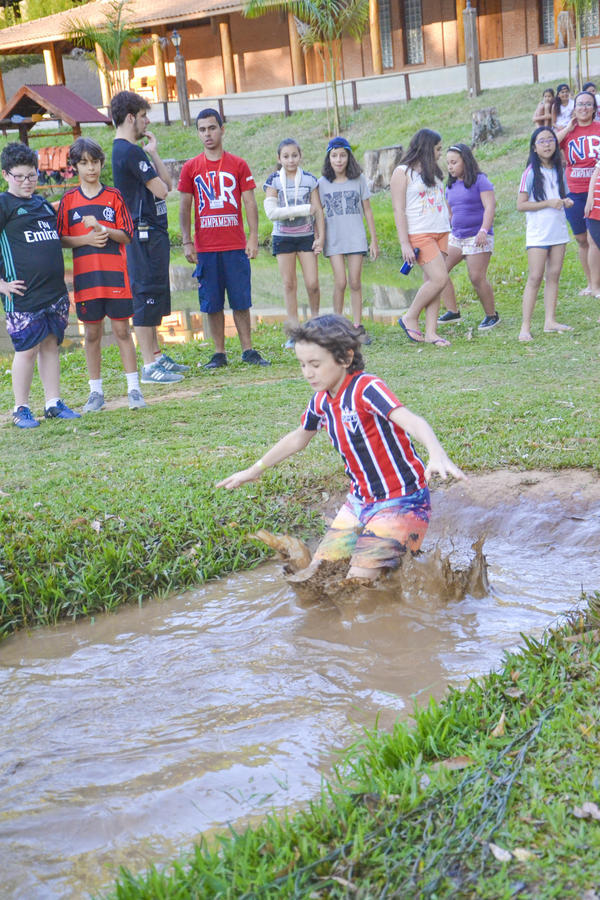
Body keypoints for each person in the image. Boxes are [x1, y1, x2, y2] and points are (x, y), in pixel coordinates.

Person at [217, 315, 465, 581]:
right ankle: (396, 567)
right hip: (359, 502)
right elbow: (300, 437)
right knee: (318, 574)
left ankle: (411, 574)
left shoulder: (366, 388)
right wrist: (255, 469)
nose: (307, 373)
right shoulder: (321, 401)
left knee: (357, 581)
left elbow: (411, 420)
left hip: (402, 501)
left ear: (346, 358)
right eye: (302, 364)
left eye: (315, 364)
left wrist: (436, 452)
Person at [57, 137, 146, 412]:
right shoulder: (69, 200)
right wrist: (85, 239)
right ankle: (95, 393)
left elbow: (127, 235)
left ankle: (134, 389)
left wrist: (104, 231)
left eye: (94, 162)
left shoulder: (114, 196)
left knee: (122, 330)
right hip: (86, 280)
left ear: (101, 163)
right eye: (84, 163)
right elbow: (61, 238)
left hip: (115, 278)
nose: (90, 168)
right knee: (92, 334)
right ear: (75, 167)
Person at [178, 108, 270, 368]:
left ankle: (248, 349)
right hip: (206, 247)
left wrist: (252, 237)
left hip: (234, 245)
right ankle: (219, 353)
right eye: (202, 129)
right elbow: (184, 206)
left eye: (211, 128)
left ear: (222, 129)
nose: (207, 134)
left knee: (241, 299)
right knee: (212, 301)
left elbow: (250, 202)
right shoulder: (191, 168)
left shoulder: (238, 164)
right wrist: (187, 241)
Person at [0, 142, 80, 428]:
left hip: (54, 292)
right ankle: (21, 408)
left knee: (50, 345)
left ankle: (53, 403)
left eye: (32, 176)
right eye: (20, 176)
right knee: (27, 349)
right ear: (6, 174)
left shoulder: (41, 202)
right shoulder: (3, 204)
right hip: (23, 294)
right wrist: (1, 284)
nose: (26, 182)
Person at [111, 90, 189, 384]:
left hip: (152, 232)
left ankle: (156, 354)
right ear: (131, 117)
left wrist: (154, 151)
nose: (147, 122)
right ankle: (147, 365)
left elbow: (168, 183)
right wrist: (148, 158)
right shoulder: (127, 150)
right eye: (144, 116)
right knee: (144, 294)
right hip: (140, 233)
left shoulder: (136, 150)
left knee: (155, 292)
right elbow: (162, 190)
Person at [390, 128, 452, 347]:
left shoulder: (433, 171)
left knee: (434, 282)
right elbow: (398, 210)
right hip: (420, 233)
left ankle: (431, 333)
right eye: (437, 149)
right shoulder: (402, 172)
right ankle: (410, 316)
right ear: (426, 148)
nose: (440, 154)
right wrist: (404, 243)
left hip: (442, 230)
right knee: (439, 279)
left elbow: (441, 200)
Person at [318, 135, 379, 345]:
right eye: (334, 156)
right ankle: (337, 324)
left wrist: (374, 240)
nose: (338, 160)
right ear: (329, 158)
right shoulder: (322, 183)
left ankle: (356, 326)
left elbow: (368, 211)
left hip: (355, 236)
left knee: (354, 281)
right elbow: (317, 213)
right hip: (334, 239)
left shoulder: (359, 180)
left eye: (342, 155)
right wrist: (318, 237)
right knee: (340, 281)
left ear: (348, 157)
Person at [264, 138, 324, 346]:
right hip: (283, 238)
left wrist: (321, 237)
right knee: (289, 284)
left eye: (294, 155)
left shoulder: (309, 180)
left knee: (313, 284)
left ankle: (315, 325)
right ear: (279, 158)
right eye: (286, 156)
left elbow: (317, 210)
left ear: (300, 156)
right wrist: (300, 210)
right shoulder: (274, 181)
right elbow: (271, 212)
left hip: (305, 237)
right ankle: (294, 331)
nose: (290, 160)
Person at [517, 127, 573, 342]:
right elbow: (520, 205)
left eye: (551, 140)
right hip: (538, 234)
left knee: (554, 275)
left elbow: (562, 195)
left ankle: (550, 320)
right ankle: (525, 326)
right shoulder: (530, 172)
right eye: (542, 141)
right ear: (534, 147)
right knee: (535, 277)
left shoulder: (560, 170)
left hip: (558, 231)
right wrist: (548, 203)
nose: (548, 144)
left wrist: (565, 201)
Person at [438, 143, 499, 330]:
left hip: (478, 236)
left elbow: (490, 207)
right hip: (457, 237)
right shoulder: (450, 186)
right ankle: (453, 311)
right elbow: (450, 213)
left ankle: (492, 315)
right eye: (448, 163)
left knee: (476, 277)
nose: (450, 166)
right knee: (438, 271)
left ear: (466, 161)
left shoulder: (480, 181)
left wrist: (483, 230)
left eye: (454, 162)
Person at [555, 89, 600, 294]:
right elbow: (549, 145)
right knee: (582, 240)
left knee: (594, 238)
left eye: (588, 104)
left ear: (594, 109)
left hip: (596, 191)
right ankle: (590, 283)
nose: (583, 108)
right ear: (574, 108)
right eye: (580, 104)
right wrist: (567, 127)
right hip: (573, 192)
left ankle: (596, 285)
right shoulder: (568, 131)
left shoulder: (598, 128)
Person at [584, 154, 600, 307]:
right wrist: (590, 197)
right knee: (594, 243)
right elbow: (596, 171)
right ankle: (595, 286)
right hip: (597, 208)